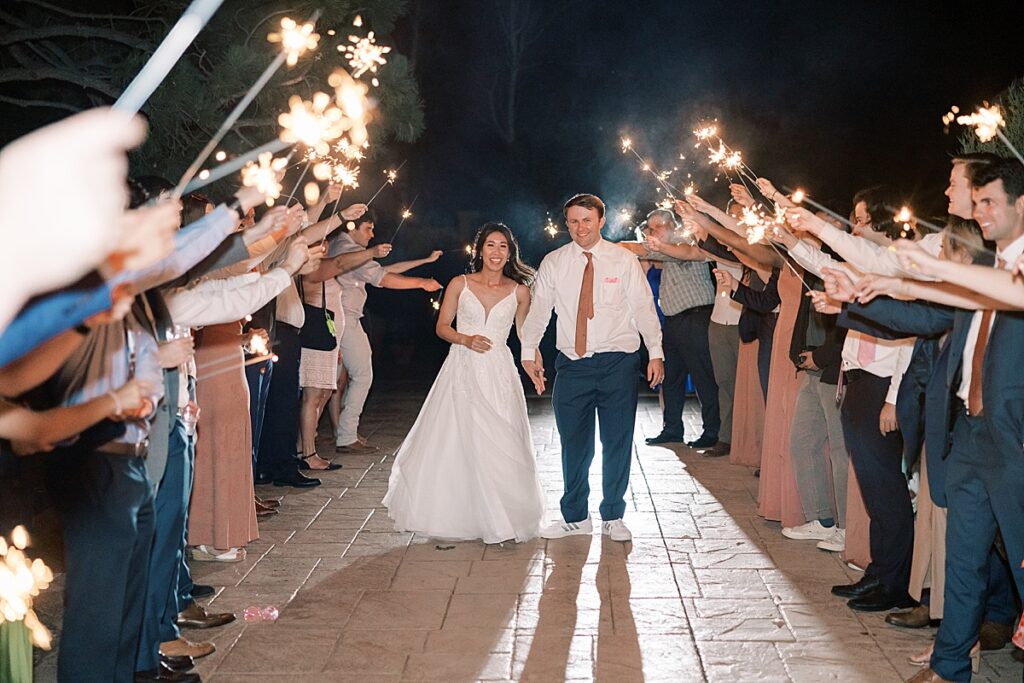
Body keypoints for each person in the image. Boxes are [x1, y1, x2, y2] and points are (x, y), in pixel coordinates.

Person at [384, 223, 545, 542]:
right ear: (479, 250)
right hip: (463, 366)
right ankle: (466, 514)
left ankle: (502, 516)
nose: (496, 252)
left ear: (510, 252)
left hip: (498, 370)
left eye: (502, 246)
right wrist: (465, 339)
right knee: (462, 437)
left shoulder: (520, 291)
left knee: (501, 437)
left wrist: (534, 366)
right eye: (490, 245)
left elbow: (527, 336)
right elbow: (442, 327)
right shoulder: (460, 284)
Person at [520, 193, 664, 542]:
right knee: (574, 443)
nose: (580, 227)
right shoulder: (554, 262)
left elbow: (645, 307)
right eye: (573, 221)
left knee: (617, 440)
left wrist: (655, 351)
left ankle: (613, 515)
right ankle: (575, 517)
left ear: (601, 221)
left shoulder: (622, 260)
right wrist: (528, 350)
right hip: (572, 365)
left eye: (587, 220)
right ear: (566, 224)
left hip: (618, 363)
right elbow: (540, 310)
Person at [331, 212, 442, 454]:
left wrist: (424, 261)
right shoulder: (348, 249)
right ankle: (346, 436)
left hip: (341, 318)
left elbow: (385, 270)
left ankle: (336, 434)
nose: (371, 235)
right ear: (353, 228)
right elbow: (384, 279)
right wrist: (422, 283)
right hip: (344, 318)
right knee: (362, 374)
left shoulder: (342, 247)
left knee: (333, 382)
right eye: (368, 228)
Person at [638, 208, 720, 450]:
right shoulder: (662, 252)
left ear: (671, 226)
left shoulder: (685, 241)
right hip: (673, 321)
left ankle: (713, 431)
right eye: (650, 228)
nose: (653, 232)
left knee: (704, 378)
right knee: (671, 378)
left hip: (697, 318)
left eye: (657, 227)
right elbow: (647, 258)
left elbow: (661, 252)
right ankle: (672, 428)